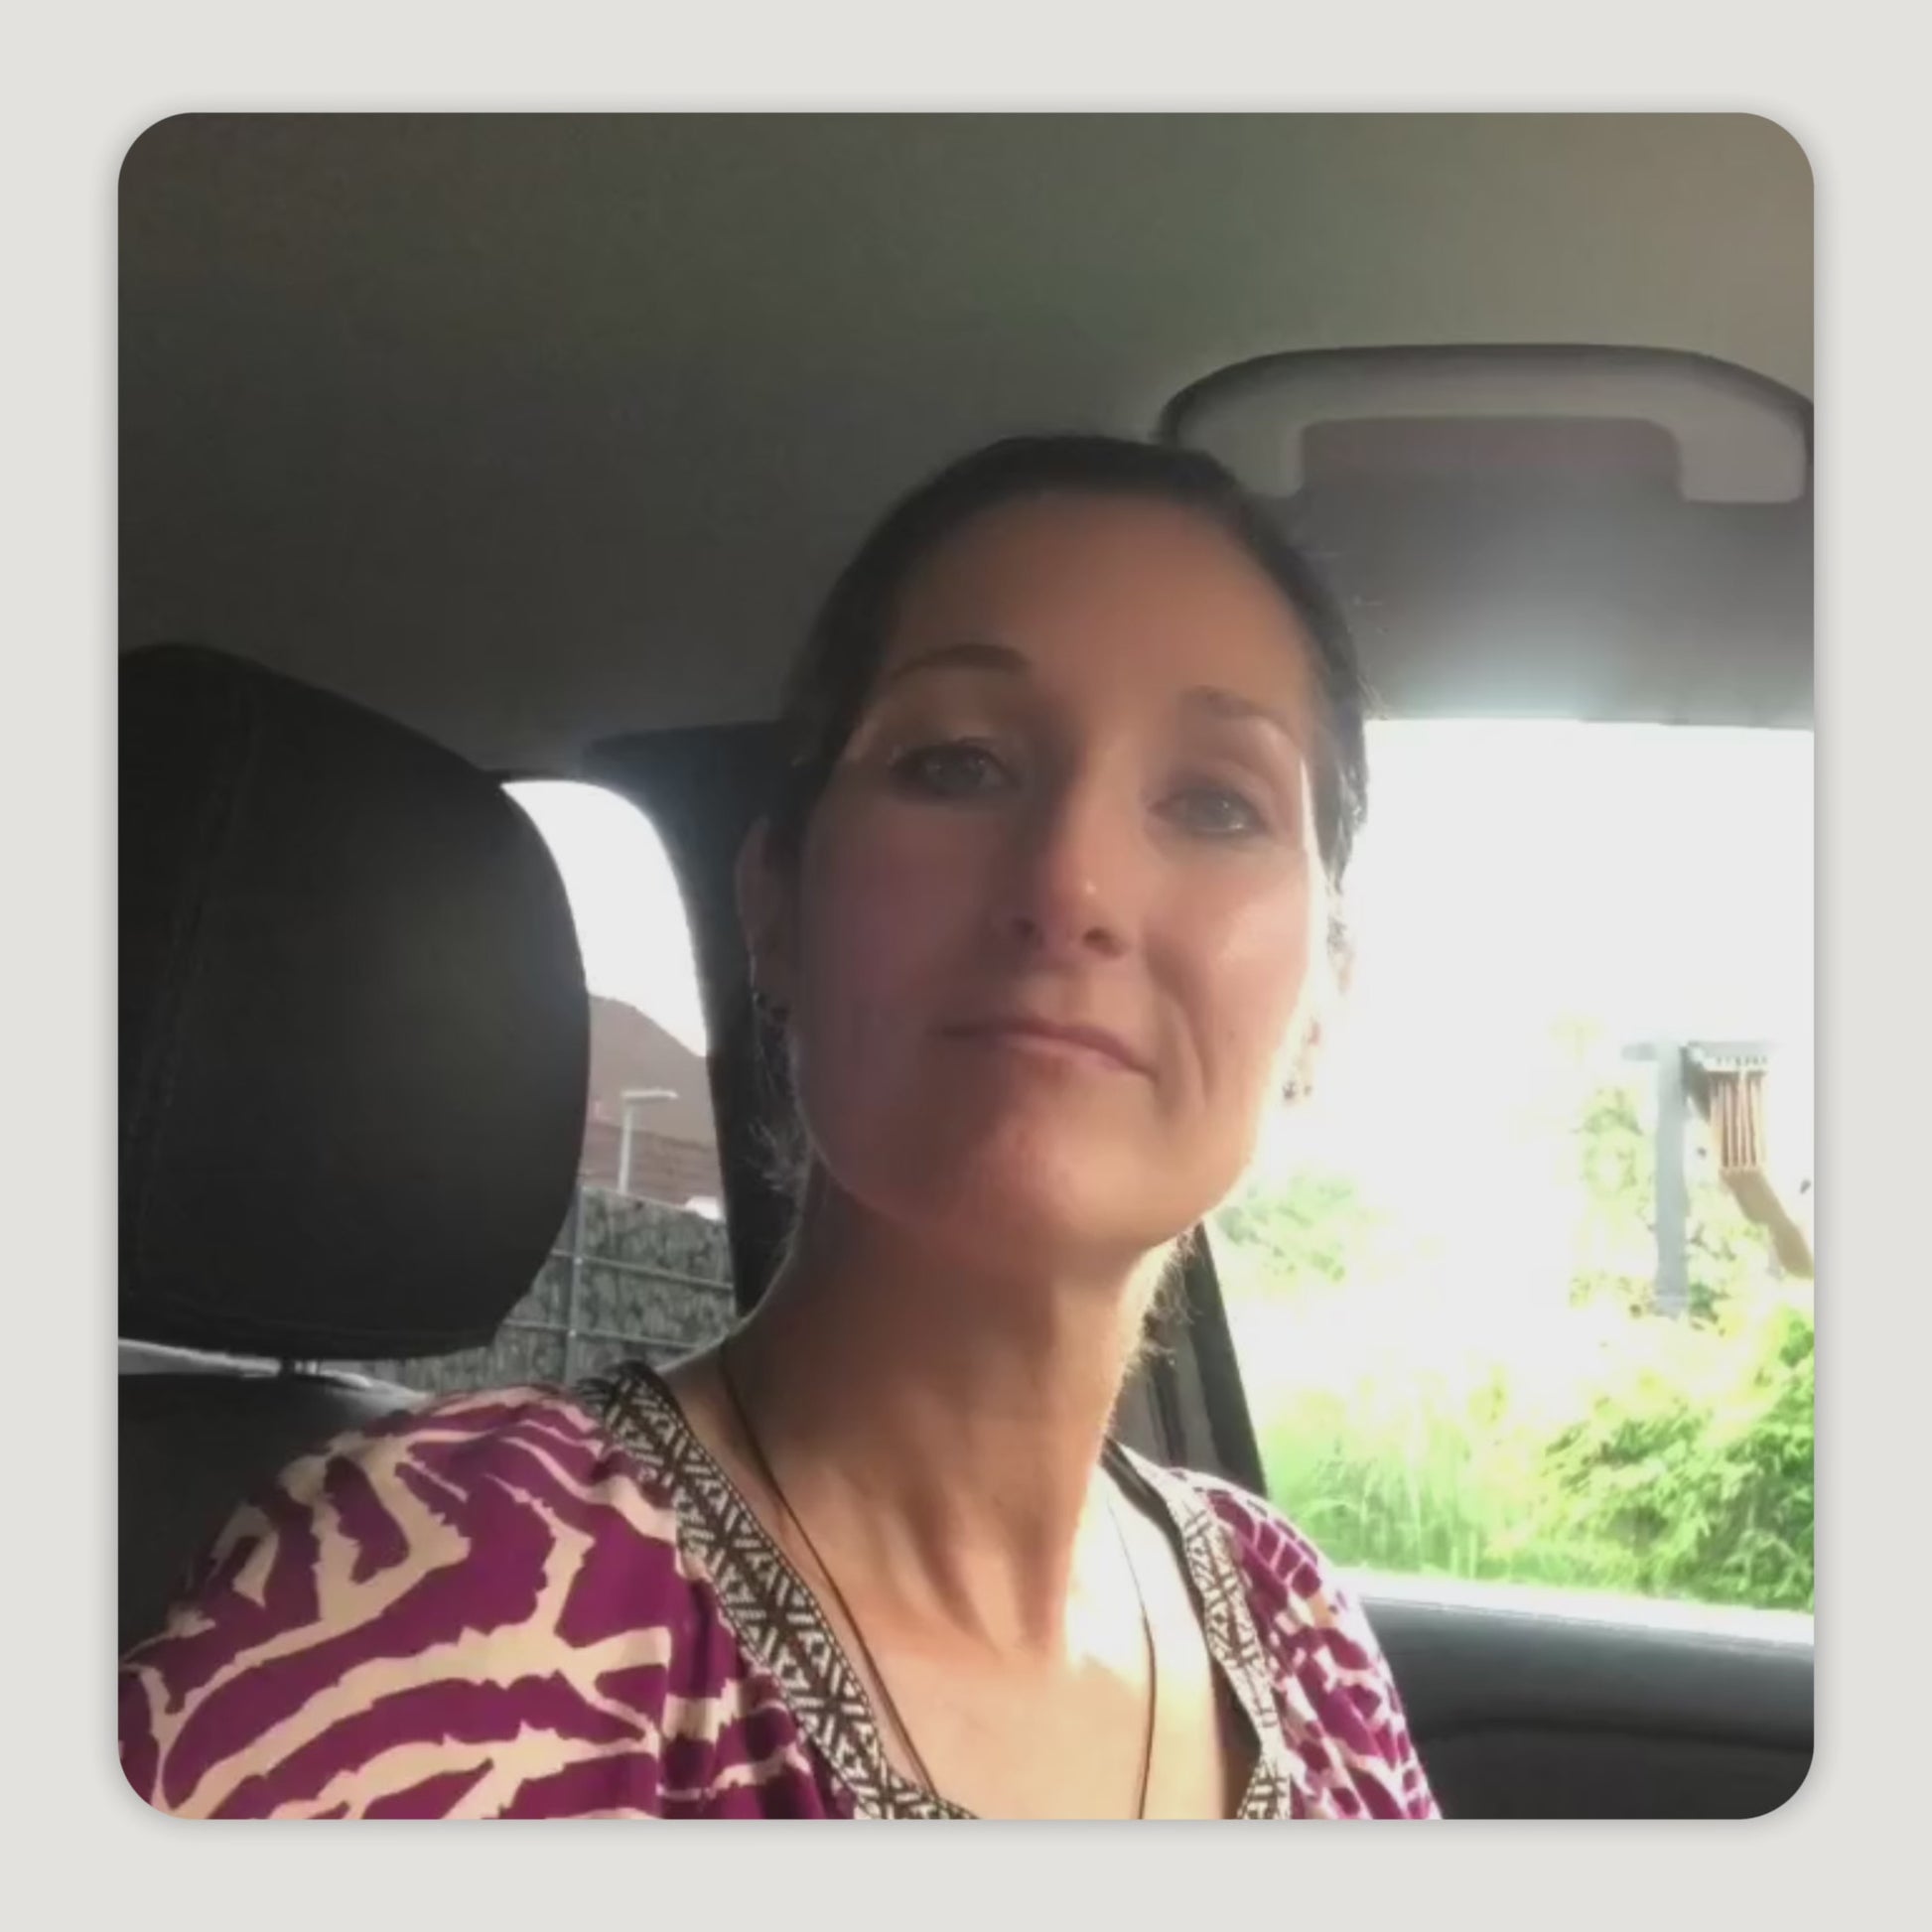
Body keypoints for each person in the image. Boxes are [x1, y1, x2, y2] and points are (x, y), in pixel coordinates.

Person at [118, 435, 1440, 1821]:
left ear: (1321, 1000)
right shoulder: (454, 1603)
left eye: (1217, 801)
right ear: (774, 908)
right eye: (957, 764)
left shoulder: (1294, 1631)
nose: (1073, 883)